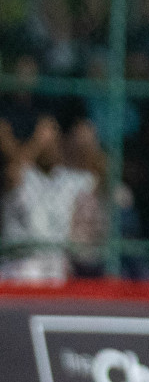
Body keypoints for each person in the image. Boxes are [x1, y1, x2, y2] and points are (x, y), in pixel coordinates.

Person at [1, 115, 97, 283]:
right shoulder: (25, 176)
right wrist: (37, 143)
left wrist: (87, 145)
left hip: (56, 265)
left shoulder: (68, 179)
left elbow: (102, 177)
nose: (50, 144)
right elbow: (13, 172)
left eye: (54, 138)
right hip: (19, 263)